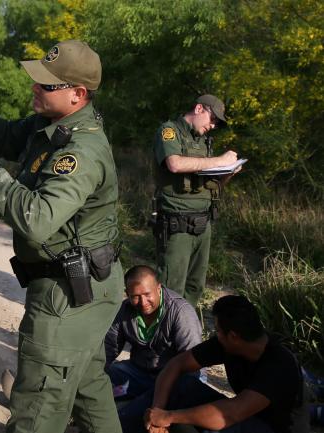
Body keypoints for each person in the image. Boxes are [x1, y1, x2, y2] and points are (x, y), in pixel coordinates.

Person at [0, 40, 124, 433]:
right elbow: (8, 138)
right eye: (37, 80)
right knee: (88, 390)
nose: (35, 88)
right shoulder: (48, 126)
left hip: (70, 295)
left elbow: (37, 219)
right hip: (79, 288)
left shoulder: (82, 150)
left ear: (78, 94)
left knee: (36, 407)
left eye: (47, 85)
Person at [144, 295, 310, 433]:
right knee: (185, 386)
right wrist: (157, 411)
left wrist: (169, 417)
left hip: (272, 428)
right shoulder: (229, 343)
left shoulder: (280, 364)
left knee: (204, 424)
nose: (215, 334)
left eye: (217, 329)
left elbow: (230, 414)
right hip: (243, 415)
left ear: (233, 336)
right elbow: (177, 364)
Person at [151, 95, 239, 307]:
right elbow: (174, 164)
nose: (213, 125)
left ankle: (186, 332)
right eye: (212, 119)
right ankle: (164, 334)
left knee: (195, 286)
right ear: (199, 108)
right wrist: (220, 160)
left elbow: (210, 185)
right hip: (177, 223)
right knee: (172, 287)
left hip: (203, 222)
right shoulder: (170, 131)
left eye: (217, 123)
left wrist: (228, 172)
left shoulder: (202, 141)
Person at [105, 265, 202, 433]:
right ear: (127, 294)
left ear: (158, 288)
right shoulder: (124, 310)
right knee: (101, 378)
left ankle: (145, 405)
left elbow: (192, 364)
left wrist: (163, 406)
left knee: (124, 420)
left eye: (147, 295)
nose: (143, 302)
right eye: (135, 296)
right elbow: (108, 350)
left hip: (174, 379)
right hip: (138, 371)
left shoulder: (181, 312)